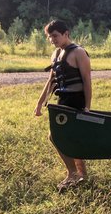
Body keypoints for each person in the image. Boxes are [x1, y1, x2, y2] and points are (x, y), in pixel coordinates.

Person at [34, 20, 92, 192]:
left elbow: (87, 82)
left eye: (55, 36)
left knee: (56, 136)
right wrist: (39, 103)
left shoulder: (79, 53)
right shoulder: (55, 54)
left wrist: (87, 107)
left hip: (76, 100)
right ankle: (80, 174)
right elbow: (51, 80)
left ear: (66, 33)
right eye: (50, 37)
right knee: (68, 138)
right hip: (62, 101)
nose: (52, 39)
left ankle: (73, 173)